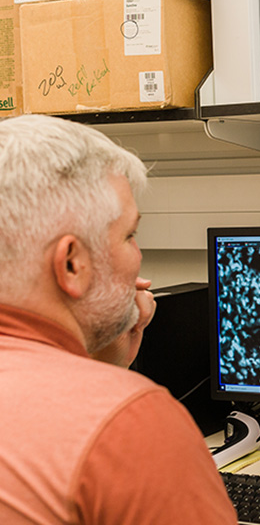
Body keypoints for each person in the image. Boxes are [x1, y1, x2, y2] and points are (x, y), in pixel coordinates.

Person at [0, 115, 238, 524]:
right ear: (71, 263)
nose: (138, 257)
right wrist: (118, 397)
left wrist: (107, 364)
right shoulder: (132, 424)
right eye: (129, 235)